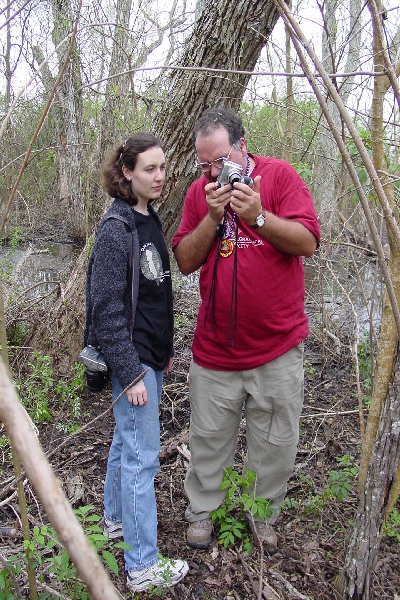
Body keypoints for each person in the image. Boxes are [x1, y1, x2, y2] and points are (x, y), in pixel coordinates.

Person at [172, 108, 320, 554]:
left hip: (277, 346)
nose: (213, 172)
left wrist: (258, 216)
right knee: (209, 438)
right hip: (216, 349)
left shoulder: (279, 177)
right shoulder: (201, 194)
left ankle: (262, 514)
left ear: (241, 145)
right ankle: (202, 511)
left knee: (274, 442)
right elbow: (183, 260)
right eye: (204, 165)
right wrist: (212, 219)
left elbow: (308, 241)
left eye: (220, 161)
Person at [84, 133, 189, 592]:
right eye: (149, 169)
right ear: (126, 172)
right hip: (136, 362)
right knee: (142, 461)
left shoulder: (148, 217)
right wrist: (131, 373)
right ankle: (142, 565)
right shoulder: (116, 229)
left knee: (125, 447)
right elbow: (104, 309)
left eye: (162, 167)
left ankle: (113, 522)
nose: (159, 176)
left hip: (153, 355)